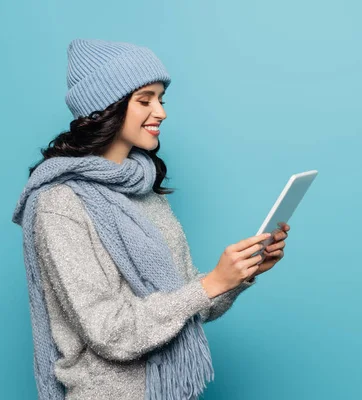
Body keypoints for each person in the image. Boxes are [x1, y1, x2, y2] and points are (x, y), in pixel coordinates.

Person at [11, 38, 290, 400]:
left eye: (161, 99)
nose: (161, 112)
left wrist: (237, 275)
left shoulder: (145, 188)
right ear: (105, 108)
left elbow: (187, 307)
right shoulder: (60, 204)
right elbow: (109, 332)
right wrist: (210, 284)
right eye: (145, 100)